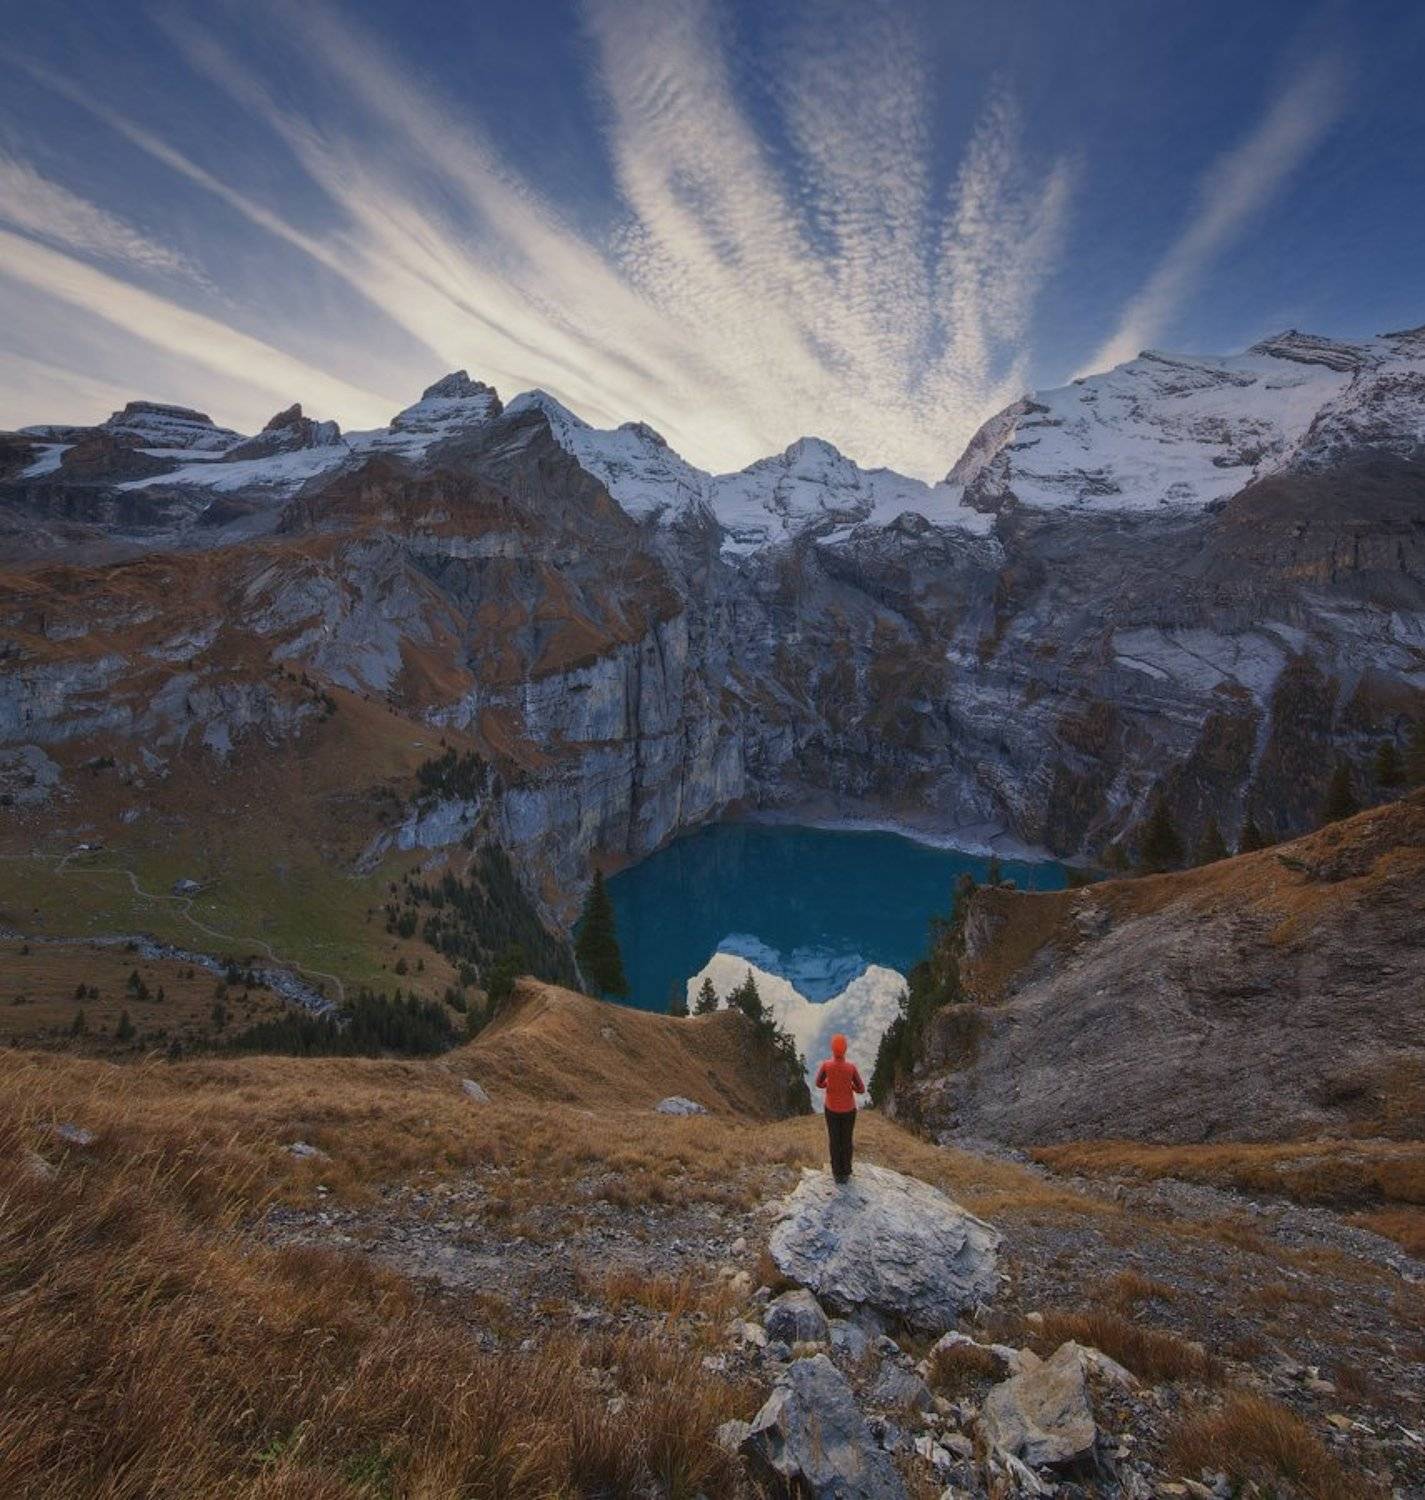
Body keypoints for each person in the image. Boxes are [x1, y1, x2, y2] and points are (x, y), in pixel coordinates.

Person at [814, 1033, 864, 1183]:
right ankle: (846, 1171)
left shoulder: (826, 1066)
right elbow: (861, 1089)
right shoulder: (851, 1068)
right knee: (846, 1140)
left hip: (831, 1109)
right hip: (848, 1110)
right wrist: (851, 1087)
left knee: (834, 1140)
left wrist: (828, 1084)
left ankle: (836, 1172)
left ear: (832, 1049)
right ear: (845, 1049)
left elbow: (818, 1083)